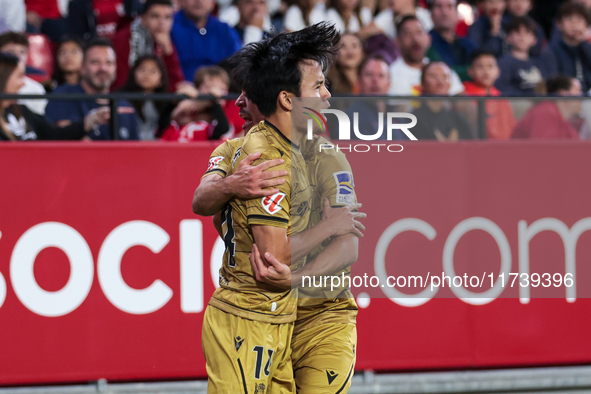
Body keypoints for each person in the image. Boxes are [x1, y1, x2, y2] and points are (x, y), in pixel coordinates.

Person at [196, 23, 359, 393]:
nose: (328, 96)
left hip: (322, 313)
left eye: (246, 94)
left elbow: (349, 245)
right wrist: (328, 226)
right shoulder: (249, 156)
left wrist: (298, 276)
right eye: (319, 86)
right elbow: (202, 203)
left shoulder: (327, 156)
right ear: (285, 99)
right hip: (259, 310)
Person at [45, 38, 139, 140]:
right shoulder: (63, 96)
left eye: (109, 63)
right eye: (95, 62)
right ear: (82, 67)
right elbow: (61, 139)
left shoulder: (125, 108)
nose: (103, 68)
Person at [0, 54, 110, 141]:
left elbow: (56, 135)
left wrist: (92, 119)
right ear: (3, 78)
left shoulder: (23, 111)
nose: (23, 83)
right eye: (19, 76)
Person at [111, 0, 184, 91]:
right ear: (143, 18)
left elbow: (175, 85)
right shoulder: (124, 39)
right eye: (155, 16)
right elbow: (120, 82)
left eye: (167, 17)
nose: (161, 23)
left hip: (154, 99)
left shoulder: (165, 40)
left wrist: (168, 51)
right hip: (127, 98)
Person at [389, 15, 464, 95]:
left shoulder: (441, 70)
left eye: (419, 32)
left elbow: (461, 99)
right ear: (397, 41)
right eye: (408, 34)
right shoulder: (389, 75)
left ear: (429, 39)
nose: (415, 39)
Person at [171, 0, 242, 82]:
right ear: (181, 1)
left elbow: (238, 65)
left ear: (213, 2)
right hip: (180, 91)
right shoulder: (169, 25)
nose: (198, 1)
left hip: (219, 90)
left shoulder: (224, 30)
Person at [161, 65, 231, 141]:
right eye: (208, 87)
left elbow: (223, 128)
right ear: (197, 89)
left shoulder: (233, 108)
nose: (214, 92)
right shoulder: (186, 109)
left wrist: (214, 102)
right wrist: (176, 100)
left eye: (222, 89)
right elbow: (163, 125)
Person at [412, 61, 473, 141]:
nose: (440, 82)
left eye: (444, 77)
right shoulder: (414, 119)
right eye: (433, 76)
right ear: (422, 83)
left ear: (450, 84)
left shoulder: (457, 118)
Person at [463, 49, 515, 139]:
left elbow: (511, 129)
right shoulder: (463, 95)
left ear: (498, 71)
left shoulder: (501, 98)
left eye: (490, 66)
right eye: (480, 66)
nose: (486, 71)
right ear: (470, 71)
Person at [512, 74, 581, 139]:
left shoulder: (563, 119)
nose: (582, 95)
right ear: (564, 93)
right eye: (578, 90)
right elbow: (542, 148)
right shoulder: (545, 111)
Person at [495, 16, 549, 95]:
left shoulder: (539, 63)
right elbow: (502, 89)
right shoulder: (503, 63)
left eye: (527, 33)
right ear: (508, 38)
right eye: (517, 32)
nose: (522, 37)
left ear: (534, 40)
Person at [120, 55, 169, 141]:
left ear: (161, 80)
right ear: (134, 73)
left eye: (153, 71)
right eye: (142, 70)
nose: (147, 74)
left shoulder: (166, 102)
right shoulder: (123, 99)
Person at [0, 32, 47, 115]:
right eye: (10, 52)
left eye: (22, 52)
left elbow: (40, 124)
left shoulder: (36, 89)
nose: (18, 56)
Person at [427, 0, 475, 81]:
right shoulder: (425, 43)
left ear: (457, 14)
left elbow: (478, 69)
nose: (444, 12)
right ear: (431, 13)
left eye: (449, 6)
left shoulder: (467, 44)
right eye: (439, 6)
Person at [548, 2, 591, 92]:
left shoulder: (587, 48)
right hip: (566, 96)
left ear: (587, 25)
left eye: (579, 19)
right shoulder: (552, 50)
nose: (574, 24)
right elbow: (552, 80)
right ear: (559, 24)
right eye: (569, 19)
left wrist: (583, 42)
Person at [67, 0, 143, 41]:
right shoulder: (78, 5)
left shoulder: (132, 3)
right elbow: (77, 39)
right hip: (94, 50)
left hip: (126, 50)